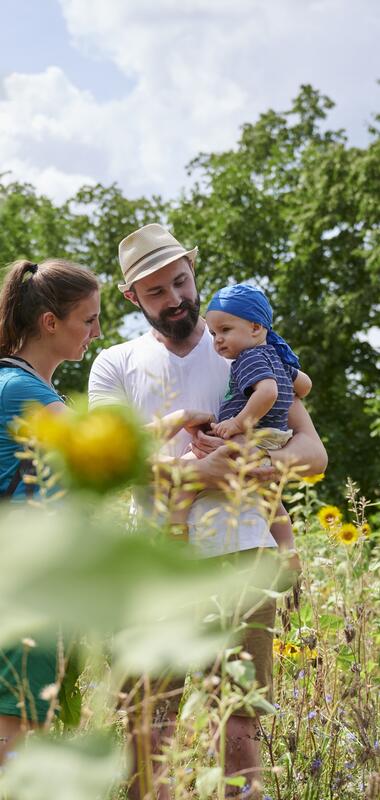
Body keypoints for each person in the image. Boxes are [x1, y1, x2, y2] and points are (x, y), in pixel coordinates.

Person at [88, 223, 327, 797]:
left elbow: (311, 453)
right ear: (131, 297)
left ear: (194, 270)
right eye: (156, 291)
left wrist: (249, 469)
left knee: (239, 713)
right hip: (150, 562)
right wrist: (196, 472)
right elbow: (105, 464)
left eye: (181, 281)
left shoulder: (244, 345)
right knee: (149, 717)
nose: (174, 299)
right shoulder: (114, 365)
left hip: (242, 554)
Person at [0, 258, 100, 762]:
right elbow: (104, 458)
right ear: (50, 322)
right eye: (89, 319)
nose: (96, 332)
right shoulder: (21, 391)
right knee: (15, 738)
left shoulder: (24, 387)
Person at [170, 283, 312, 551]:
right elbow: (304, 386)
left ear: (256, 327)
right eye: (213, 333)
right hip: (275, 438)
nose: (217, 340)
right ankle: (288, 551)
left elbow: (267, 391)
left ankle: (176, 529)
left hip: (251, 435)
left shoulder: (248, 358)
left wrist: (238, 422)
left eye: (225, 330)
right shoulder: (278, 357)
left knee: (187, 470)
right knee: (271, 497)